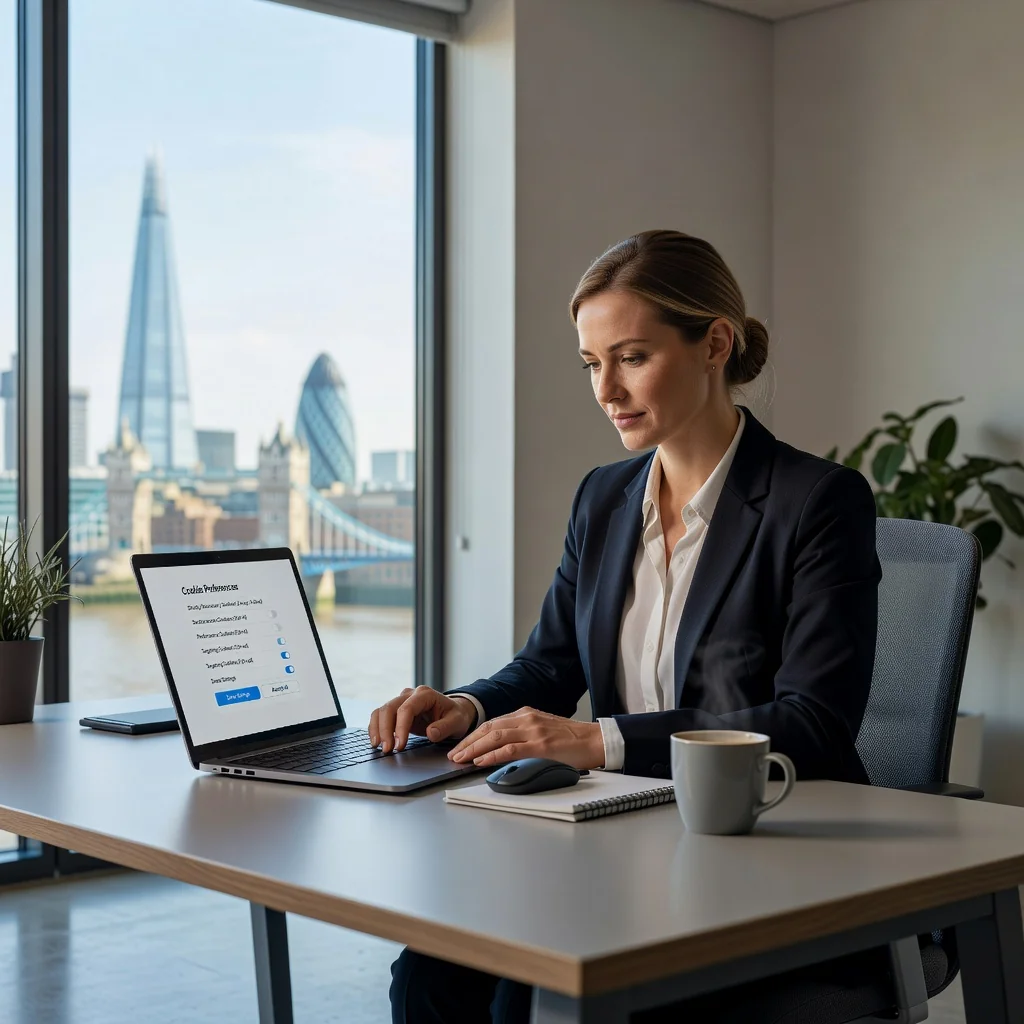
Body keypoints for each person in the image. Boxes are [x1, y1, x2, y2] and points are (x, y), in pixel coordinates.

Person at [374, 229, 881, 1024]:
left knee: (522, 997)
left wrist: (599, 742)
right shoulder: (603, 499)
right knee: (433, 972)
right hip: (623, 843)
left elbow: (812, 724)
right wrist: (466, 708)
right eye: (590, 363)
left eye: (632, 357)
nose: (606, 389)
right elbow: (548, 665)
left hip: (763, 851)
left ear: (715, 343)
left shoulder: (816, 502)